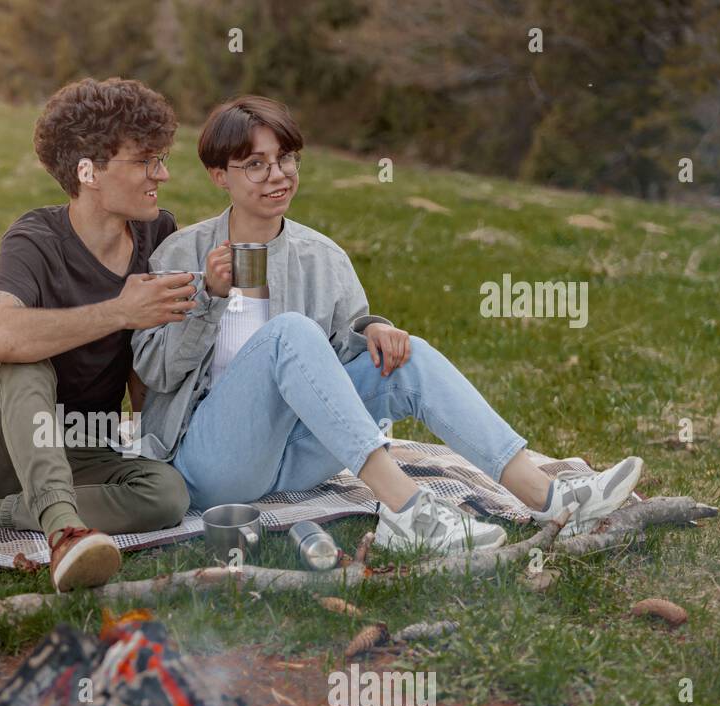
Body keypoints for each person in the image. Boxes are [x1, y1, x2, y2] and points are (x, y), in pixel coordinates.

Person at [132, 95, 642, 554]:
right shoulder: (181, 254)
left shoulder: (323, 258)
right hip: (215, 465)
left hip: (300, 457)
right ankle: (406, 508)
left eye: (286, 159)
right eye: (256, 165)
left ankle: (551, 498)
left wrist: (373, 330)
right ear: (219, 175)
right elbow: (155, 372)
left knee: (407, 355)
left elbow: (337, 360)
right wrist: (208, 297)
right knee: (289, 331)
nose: (278, 175)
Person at [0, 77, 196, 590]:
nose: (164, 173)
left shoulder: (159, 233)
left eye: (161, 158)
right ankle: (65, 533)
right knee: (24, 356)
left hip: (85, 444)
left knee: (168, 495)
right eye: (146, 161)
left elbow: (146, 355)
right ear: (89, 171)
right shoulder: (36, 238)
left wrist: (158, 442)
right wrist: (120, 310)